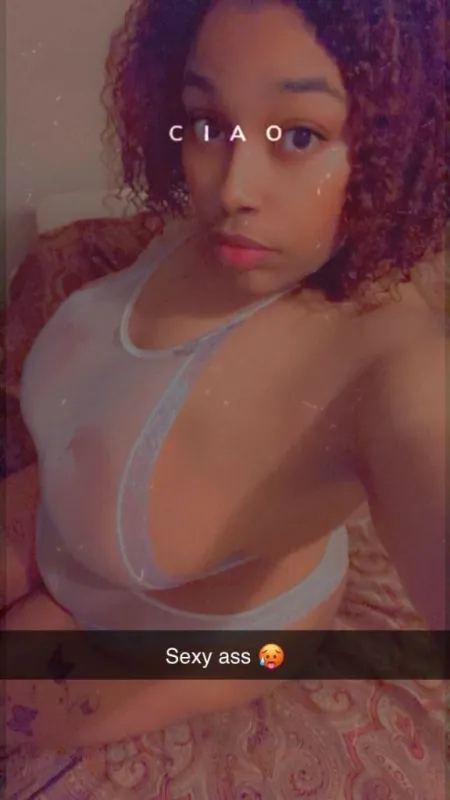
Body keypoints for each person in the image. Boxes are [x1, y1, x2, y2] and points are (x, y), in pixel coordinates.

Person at [2, 0, 445, 751]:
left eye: (299, 135)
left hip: (209, 641)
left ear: (394, 143)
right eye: (209, 122)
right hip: (62, 521)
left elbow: (425, 433)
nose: (233, 186)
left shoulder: (389, 362)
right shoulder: (233, 232)